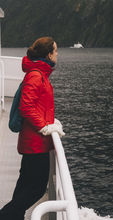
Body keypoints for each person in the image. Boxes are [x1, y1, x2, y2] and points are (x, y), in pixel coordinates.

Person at [0, 36, 65, 220]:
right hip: (36, 143)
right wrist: (44, 126)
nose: (57, 54)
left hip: (34, 142)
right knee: (36, 189)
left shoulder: (39, 73)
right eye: (56, 51)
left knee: (24, 185)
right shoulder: (36, 75)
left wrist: (50, 123)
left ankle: (13, 216)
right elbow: (26, 107)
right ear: (49, 54)